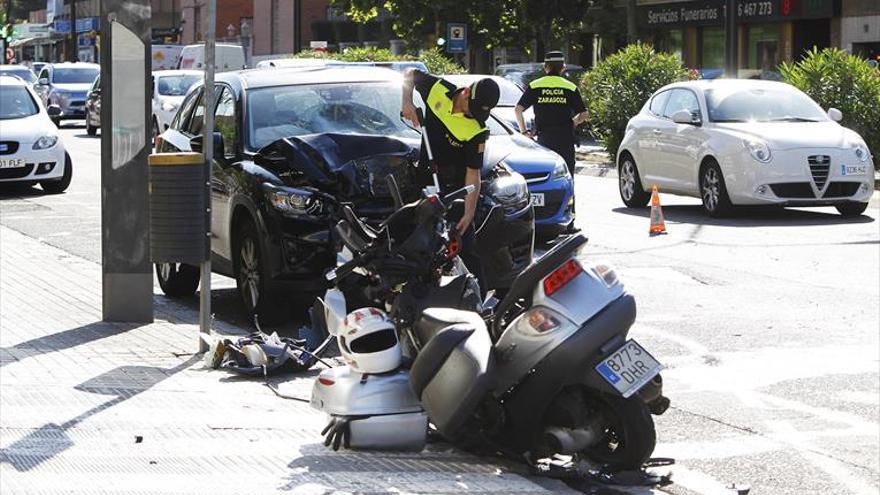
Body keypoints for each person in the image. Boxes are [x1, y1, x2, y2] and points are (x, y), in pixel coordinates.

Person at [401, 69, 500, 295]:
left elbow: (473, 172)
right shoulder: (438, 89)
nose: (473, 116)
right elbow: (409, 74)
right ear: (465, 93)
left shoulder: (477, 130)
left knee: (464, 247)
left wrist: (469, 211)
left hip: (454, 190)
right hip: (425, 180)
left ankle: (480, 301)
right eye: (472, 109)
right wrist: (407, 102)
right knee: (417, 244)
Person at [515, 51, 588, 231]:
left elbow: (518, 109)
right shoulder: (569, 87)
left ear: (545, 67)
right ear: (562, 68)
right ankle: (569, 221)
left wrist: (524, 132)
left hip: (544, 140)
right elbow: (584, 113)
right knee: (567, 178)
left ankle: (535, 219)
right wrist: (573, 122)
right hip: (565, 138)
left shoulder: (535, 85)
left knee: (542, 180)